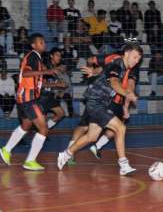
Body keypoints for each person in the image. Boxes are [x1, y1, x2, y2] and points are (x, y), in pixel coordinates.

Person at [58, 44, 142, 175]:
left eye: (138, 59)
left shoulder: (123, 66)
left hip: (101, 101)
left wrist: (94, 72)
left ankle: (65, 154)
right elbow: (114, 83)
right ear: (126, 54)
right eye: (135, 57)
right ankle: (124, 165)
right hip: (96, 101)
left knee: (92, 136)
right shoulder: (118, 65)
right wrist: (127, 94)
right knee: (121, 128)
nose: (136, 61)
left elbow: (104, 70)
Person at [0, 33, 60, 171]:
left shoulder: (35, 58)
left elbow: (35, 76)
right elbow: (26, 73)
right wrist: (48, 71)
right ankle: (30, 161)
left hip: (24, 97)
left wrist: (48, 71)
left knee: (26, 125)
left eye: (44, 41)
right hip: (28, 98)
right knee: (43, 128)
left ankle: (6, 149)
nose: (43, 43)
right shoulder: (32, 56)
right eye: (40, 42)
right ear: (33, 45)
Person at [39, 48, 68, 129]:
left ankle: (46, 129)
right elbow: (41, 84)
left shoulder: (56, 68)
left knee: (61, 113)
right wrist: (58, 84)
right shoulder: (44, 67)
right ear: (51, 56)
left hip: (48, 96)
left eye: (60, 56)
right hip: (40, 96)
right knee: (31, 123)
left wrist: (60, 85)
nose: (59, 57)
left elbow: (51, 82)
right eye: (57, 55)